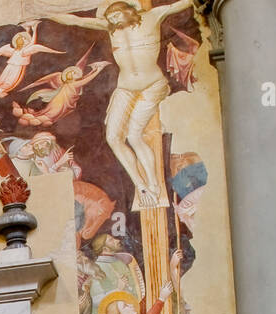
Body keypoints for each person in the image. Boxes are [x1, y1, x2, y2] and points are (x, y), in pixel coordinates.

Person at [46, 0, 195, 207]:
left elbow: (177, 5)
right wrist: (44, 10)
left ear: (129, 11)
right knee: (113, 137)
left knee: (134, 136)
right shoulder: (110, 27)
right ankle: (140, 185)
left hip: (152, 85)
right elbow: (75, 20)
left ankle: (153, 184)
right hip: (125, 88)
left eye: (117, 15)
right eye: (111, 18)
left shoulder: (152, 16)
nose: (114, 20)